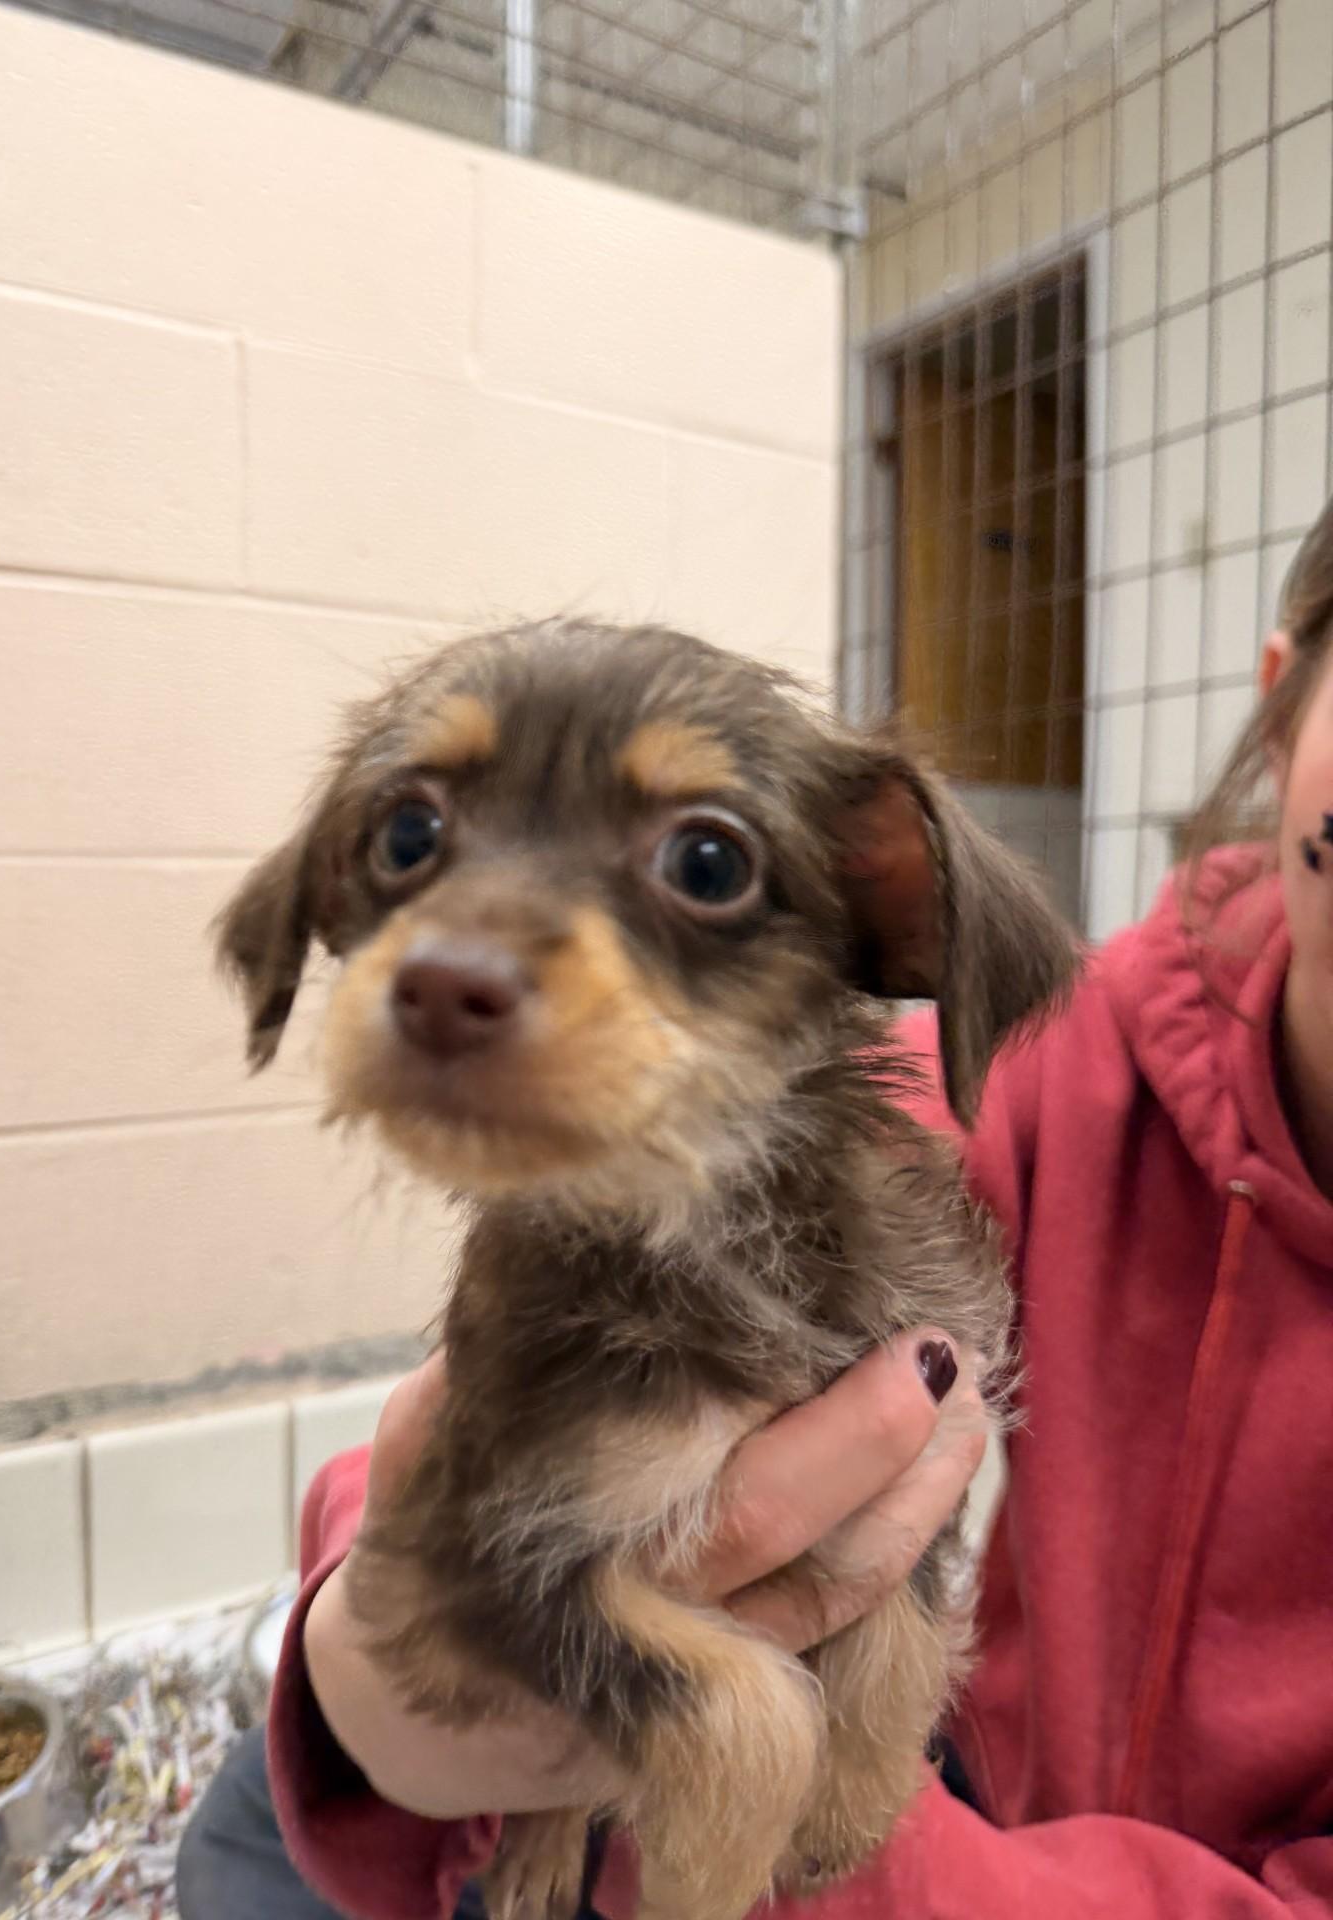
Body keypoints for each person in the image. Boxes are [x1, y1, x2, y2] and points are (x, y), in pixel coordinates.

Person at [178, 499, 1333, 1920]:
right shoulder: (1068, 1081)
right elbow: (486, 1430)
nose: (465, 951)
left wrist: (814, 1839)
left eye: (702, 866)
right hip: (938, 1749)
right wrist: (362, 1634)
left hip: (932, 1828)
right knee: (252, 1831)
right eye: (412, 840)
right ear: (1285, 704)